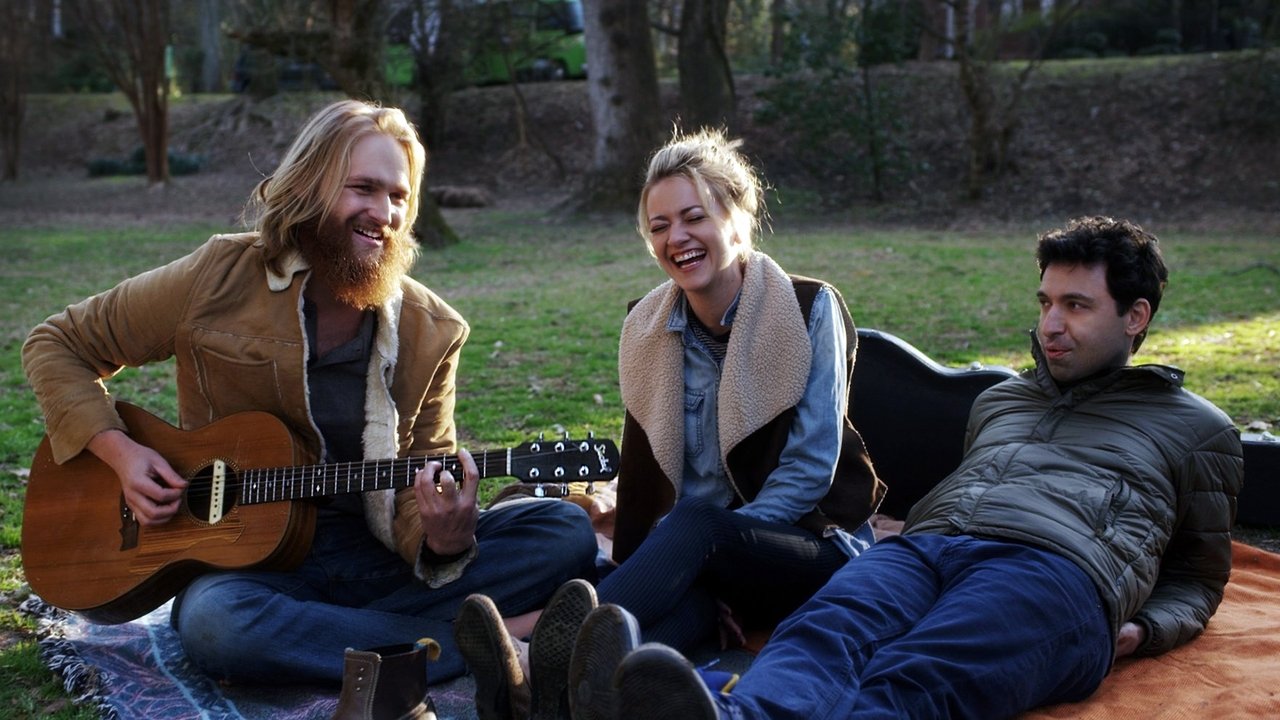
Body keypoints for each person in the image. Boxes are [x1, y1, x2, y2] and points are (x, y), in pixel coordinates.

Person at [21, 99, 599, 693]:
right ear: (311, 185)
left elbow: (419, 476)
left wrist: (443, 539)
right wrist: (120, 452)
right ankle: (486, 641)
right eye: (363, 189)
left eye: (399, 196)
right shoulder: (217, 277)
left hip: (376, 563)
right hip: (249, 568)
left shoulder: (433, 331)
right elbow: (56, 343)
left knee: (564, 532)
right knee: (219, 625)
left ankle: (396, 638)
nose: (384, 214)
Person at [581, 215, 1245, 720]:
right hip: (925, 551)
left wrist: (1143, 629)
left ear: (1136, 317)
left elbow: (1197, 575)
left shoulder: (1196, 429)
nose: (1050, 325)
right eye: (1045, 302)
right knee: (821, 632)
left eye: (1076, 306)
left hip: (1056, 572)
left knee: (915, 674)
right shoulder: (1004, 399)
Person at [453, 128, 884, 720]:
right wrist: (677, 565)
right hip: (705, 556)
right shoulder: (648, 328)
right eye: (659, 227)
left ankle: (530, 653)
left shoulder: (809, 309)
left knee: (697, 525)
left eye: (693, 217)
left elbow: (810, 470)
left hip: (810, 543)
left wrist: (708, 553)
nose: (676, 238)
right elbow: (645, 472)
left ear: (737, 217)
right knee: (681, 615)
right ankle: (570, 696)